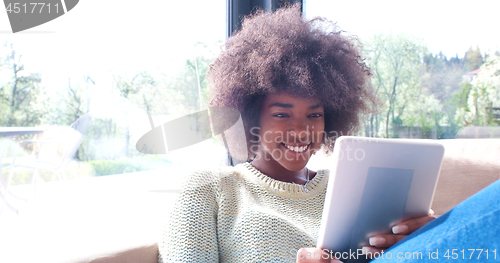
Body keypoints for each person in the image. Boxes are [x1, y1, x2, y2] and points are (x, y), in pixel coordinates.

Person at [158, 4, 434, 263]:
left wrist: (425, 245)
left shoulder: (355, 190)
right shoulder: (210, 189)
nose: (302, 131)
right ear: (249, 117)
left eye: (315, 114)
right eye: (281, 114)